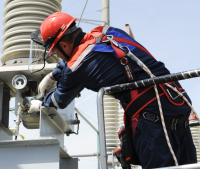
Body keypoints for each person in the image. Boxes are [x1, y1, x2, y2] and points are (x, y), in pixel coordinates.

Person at [29, 12, 197, 169]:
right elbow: (82, 53)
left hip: (153, 120)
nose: (57, 56)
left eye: (56, 52)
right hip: (177, 103)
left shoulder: (76, 66)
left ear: (64, 45)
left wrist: (39, 102)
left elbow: (59, 100)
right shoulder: (108, 32)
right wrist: (53, 74)